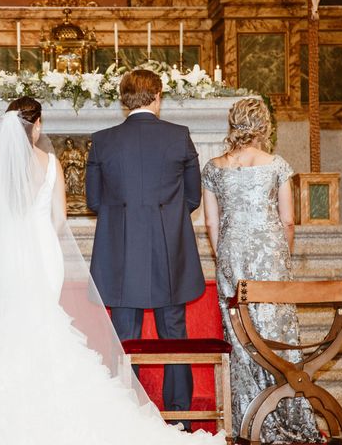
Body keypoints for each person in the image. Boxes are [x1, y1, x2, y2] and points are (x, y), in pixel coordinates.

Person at [0, 97, 224, 444]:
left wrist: (9, 239)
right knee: (44, 322)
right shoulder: (52, 164)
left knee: (5, 322)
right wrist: (39, 234)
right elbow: (59, 219)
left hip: (6, 252)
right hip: (44, 252)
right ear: (37, 125)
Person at [86, 70, 205, 431]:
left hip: (120, 250)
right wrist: (164, 218)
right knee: (174, 329)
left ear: (124, 100)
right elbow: (192, 196)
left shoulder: (103, 141)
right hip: (170, 247)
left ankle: (123, 409)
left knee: (124, 334)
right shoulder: (178, 136)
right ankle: (179, 414)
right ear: (157, 97)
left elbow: (93, 201)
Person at [201, 98, 321, 442]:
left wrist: (222, 254)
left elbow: (211, 221)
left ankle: (249, 418)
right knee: (276, 333)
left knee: (240, 337)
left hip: (231, 254)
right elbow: (288, 219)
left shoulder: (213, 168)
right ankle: (287, 413)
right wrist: (282, 255)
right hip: (270, 254)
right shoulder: (278, 165)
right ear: (264, 126)